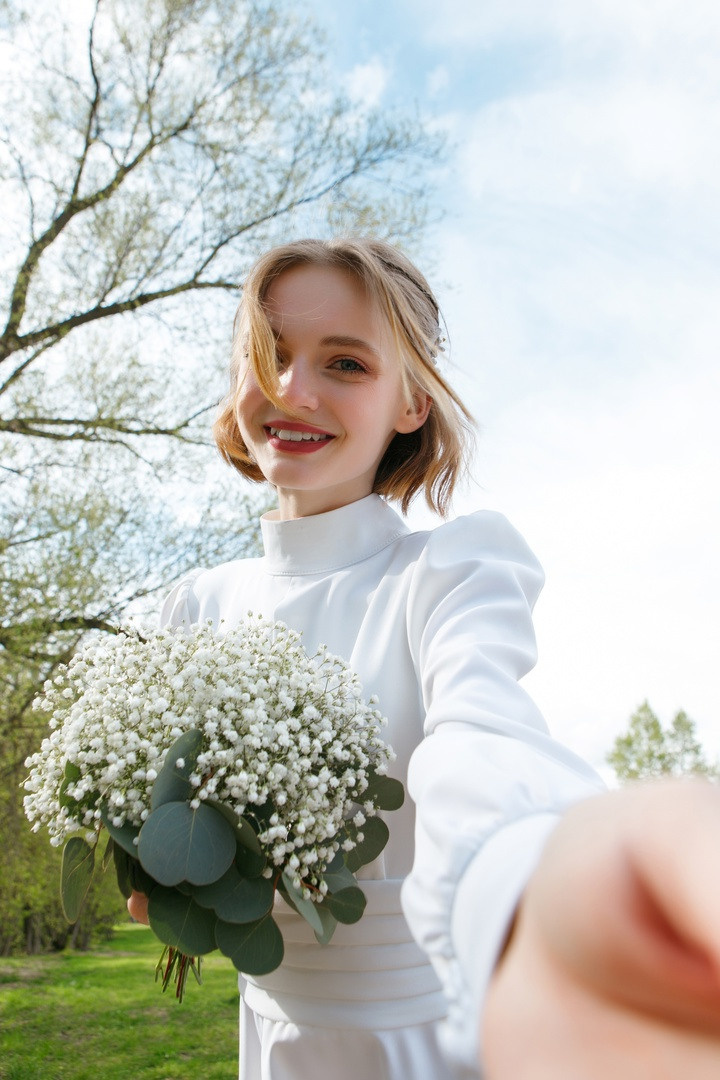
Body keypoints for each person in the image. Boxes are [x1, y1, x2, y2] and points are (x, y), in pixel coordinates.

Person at [128, 237, 720, 1079]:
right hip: (269, 1034)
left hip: (419, 1044)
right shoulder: (196, 607)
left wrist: (532, 898)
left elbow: (477, 742)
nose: (295, 389)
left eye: (346, 363)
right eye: (273, 355)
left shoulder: (447, 576)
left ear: (411, 402)